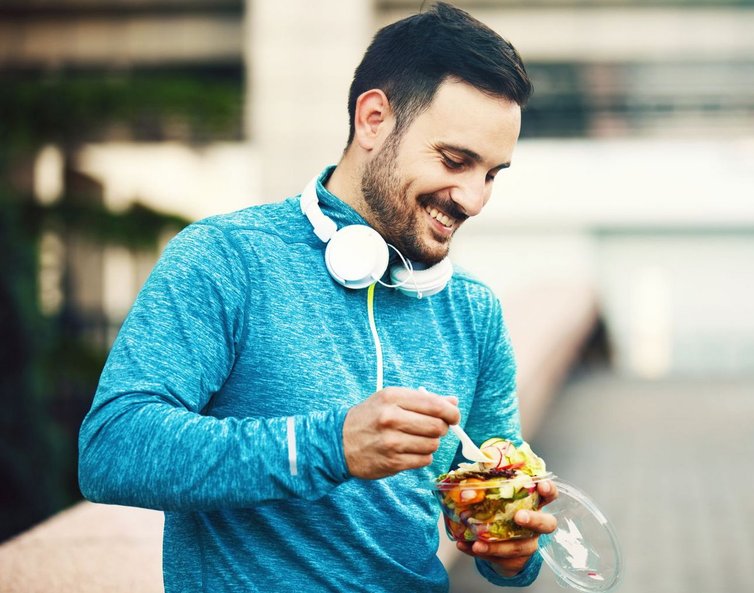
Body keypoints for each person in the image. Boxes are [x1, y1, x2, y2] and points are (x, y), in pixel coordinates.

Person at [77, 3, 557, 592]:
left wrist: (511, 548)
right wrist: (329, 445)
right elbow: (112, 449)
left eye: (492, 173)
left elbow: (489, 504)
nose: (474, 199)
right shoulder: (226, 258)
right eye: (455, 161)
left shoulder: (473, 310)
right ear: (374, 119)